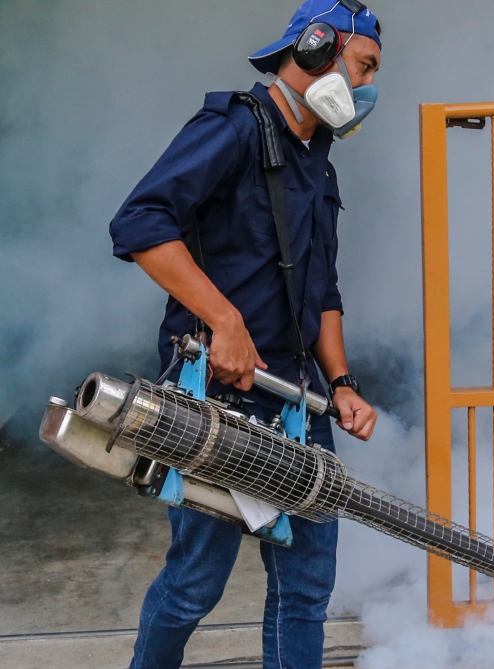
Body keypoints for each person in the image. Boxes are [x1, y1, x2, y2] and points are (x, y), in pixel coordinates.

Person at [108, 1, 381, 667]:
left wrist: (340, 382)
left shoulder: (319, 161)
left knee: (306, 587)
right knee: (194, 584)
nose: (371, 86)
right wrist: (224, 320)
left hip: (299, 401)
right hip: (219, 398)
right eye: (366, 65)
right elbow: (140, 223)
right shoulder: (232, 128)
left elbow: (324, 290)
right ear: (317, 47)